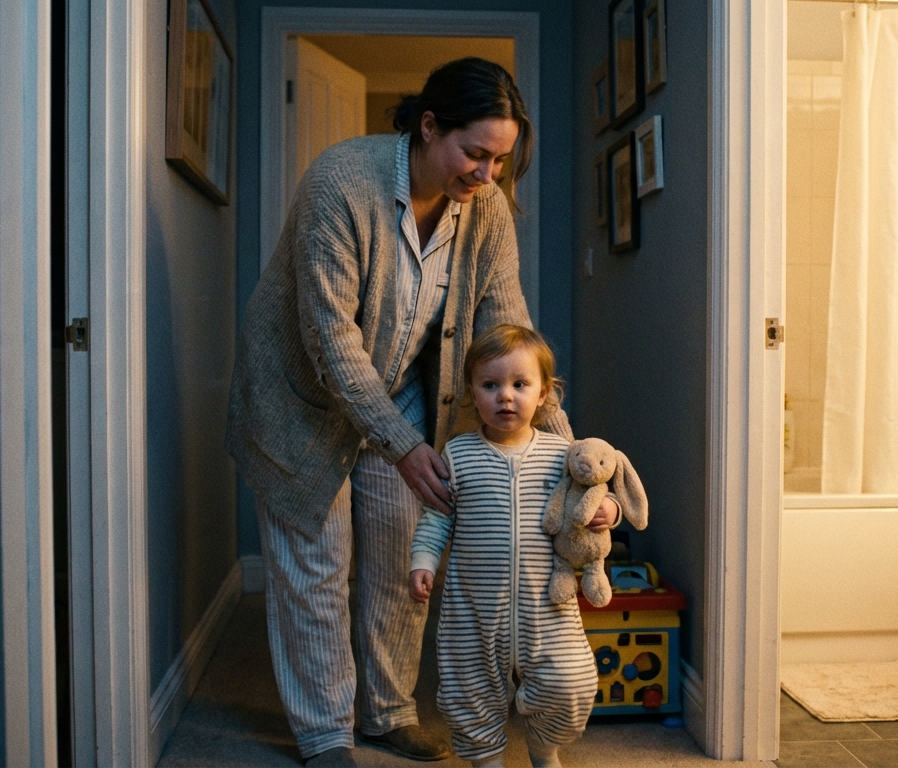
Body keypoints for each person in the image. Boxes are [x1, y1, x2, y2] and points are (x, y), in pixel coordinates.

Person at [224, 58, 617, 768]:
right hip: (300, 395)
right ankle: (324, 735)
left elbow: (508, 327)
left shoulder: (487, 209)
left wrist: (569, 452)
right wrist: (406, 447)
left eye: (500, 159)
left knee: (404, 553)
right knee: (316, 565)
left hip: (400, 390)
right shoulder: (341, 183)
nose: (487, 173)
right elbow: (332, 342)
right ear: (429, 127)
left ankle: (387, 711)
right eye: (475, 153)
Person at [409, 325, 616, 768]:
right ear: (472, 393)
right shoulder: (458, 454)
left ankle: (545, 749)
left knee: (571, 683)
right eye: (491, 385)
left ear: (544, 395)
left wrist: (610, 512)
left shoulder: (563, 453)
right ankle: (485, 760)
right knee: (469, 691)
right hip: (473, 610)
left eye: (520, 384)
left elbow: (595, 492)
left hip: (550, 608)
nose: (506, 396)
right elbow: (436, 516)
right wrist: (422, 562)